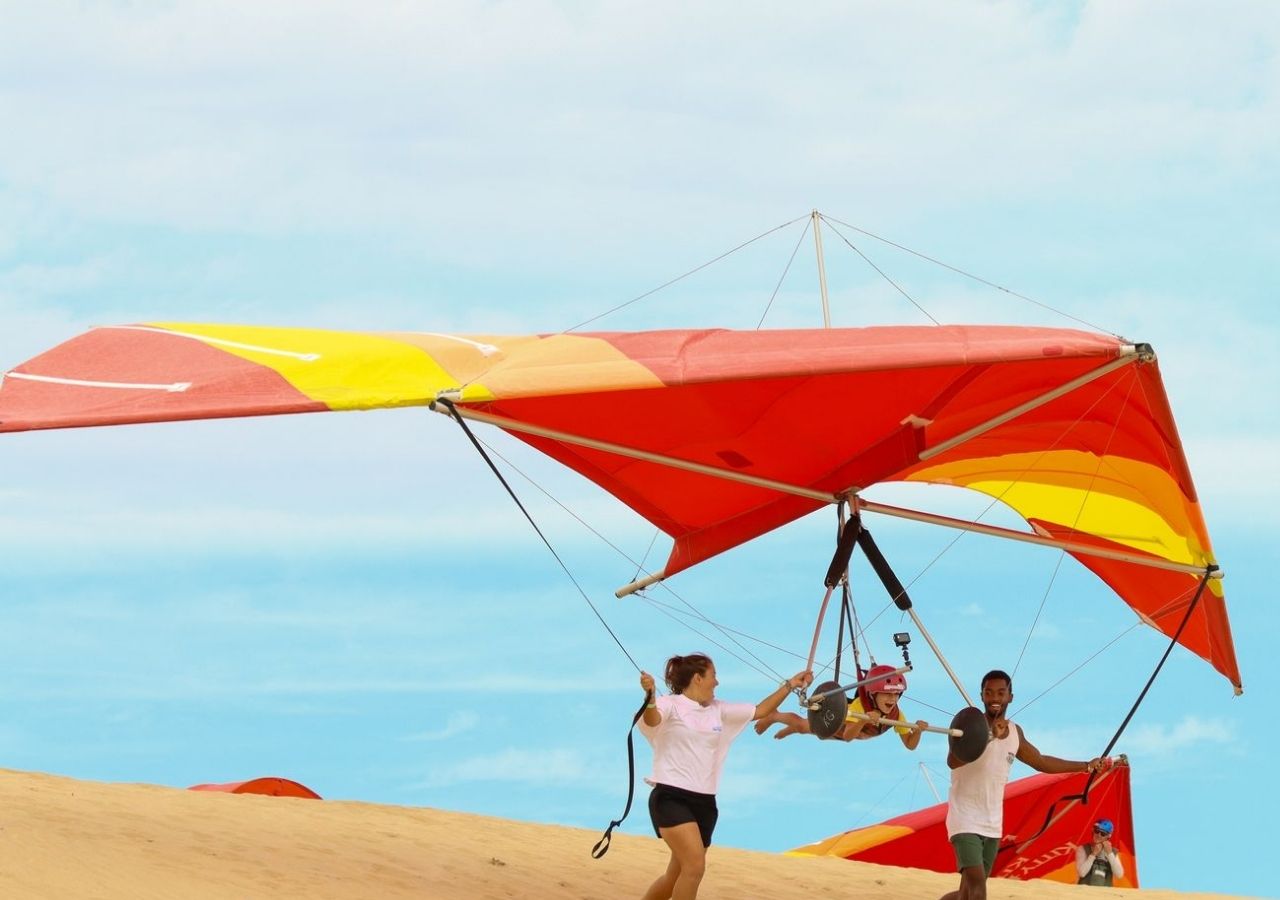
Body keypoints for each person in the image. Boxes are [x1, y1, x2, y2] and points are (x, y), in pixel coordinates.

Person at [637, 654, 813, 900]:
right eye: (713, 676)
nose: (717, 682)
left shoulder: (720, 710)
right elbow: (652, 719)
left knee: (675, 876)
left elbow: (762, 710)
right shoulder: (671, 704)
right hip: (671, 798)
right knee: (695, 868)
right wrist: (651, 698)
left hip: (705, 804)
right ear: (698, 678)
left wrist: (789, 685)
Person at [939, 670, 1109, 900]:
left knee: (966, 892)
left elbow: (1041, 762)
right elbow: (953, 761)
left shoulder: (1015, 733)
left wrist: (1086, 765)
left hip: (992, 823)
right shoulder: (969, 725)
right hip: (965, 819)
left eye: (1001, 692)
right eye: (989, 693)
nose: (995, 698)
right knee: (978, 890)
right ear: (981, 696)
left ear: (1010, 697)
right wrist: (988, 736)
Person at [753, 663, 928, 748]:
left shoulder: (896, 715)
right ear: (873, 694)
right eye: (888, 694)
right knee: (801, 725)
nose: (892, 699)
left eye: (896, 694)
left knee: (801, 728)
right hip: (836, 724)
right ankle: (774, 716)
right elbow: (848, 735)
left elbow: (910, 745)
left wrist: (917, 731)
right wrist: (863, 720)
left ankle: (790, 728)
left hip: (853, 732)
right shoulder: (860, 707)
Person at [1075, 818, 1124, 886]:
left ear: (1108, 836)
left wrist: (1110, 854)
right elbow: (1082, 873)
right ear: (1093, 831)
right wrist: (1093, 854)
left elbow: (1119, 875)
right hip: (1085, 893)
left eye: (1103, 833)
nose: (1099, 835)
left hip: (1104, 894)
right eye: (1097, 831)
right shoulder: (1082, 849)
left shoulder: (1113, 852)